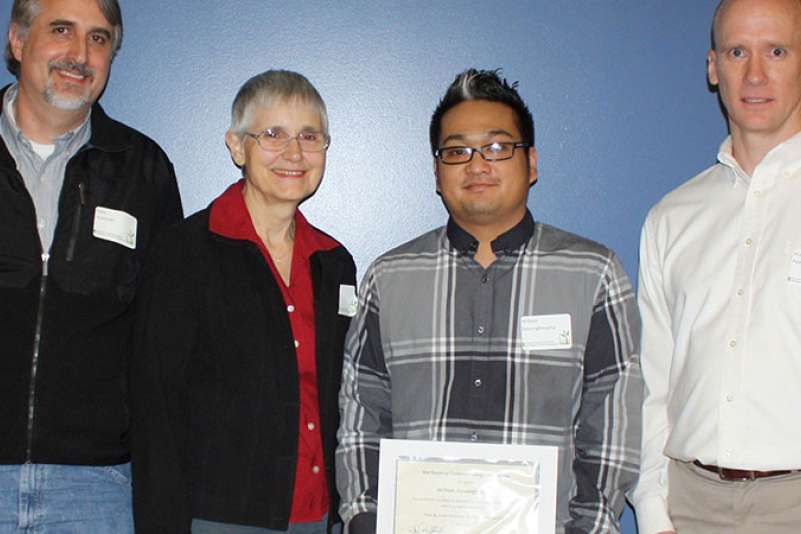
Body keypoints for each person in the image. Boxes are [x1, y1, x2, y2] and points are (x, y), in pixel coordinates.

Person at [335, 68, 643, 534]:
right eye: (457, 151)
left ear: (532, 162)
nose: (477, 165)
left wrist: (590, 525)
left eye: (498, 147)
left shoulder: (593, 273)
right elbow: (362, 409)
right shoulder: (389, 276)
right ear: (438, 172)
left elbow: (614, 414)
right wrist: (364, 515)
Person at [131, 69, 357, 534]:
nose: (294, 153)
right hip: (218, 517)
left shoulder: (335, 264)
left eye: (309, 136)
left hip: (320, 516)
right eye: (273, 134)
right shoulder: (183, 253)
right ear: (237, 146)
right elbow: (154, 408)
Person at [0, 0, 182, 532]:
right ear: (17, 41)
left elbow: (163, 336)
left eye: (99, 39)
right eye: (62, 30)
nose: (80, 54)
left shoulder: (143, 168)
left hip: (95, 488)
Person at [631, 1, 801, 532]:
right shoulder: (671, 217)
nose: (754, 73)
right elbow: (652, 383)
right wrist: (655, 513)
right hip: (689, 504)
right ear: (713, 67)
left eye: (776, 50)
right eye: (736, 52)